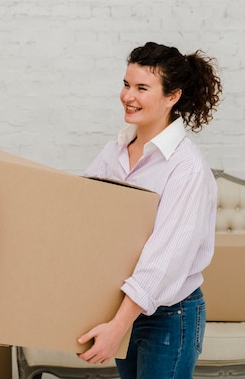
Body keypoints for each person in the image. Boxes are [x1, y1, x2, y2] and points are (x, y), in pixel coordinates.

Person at [77, 42, 223, 378]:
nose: (129, 96)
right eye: (127, 84)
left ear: (172, 97)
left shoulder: (186, 168)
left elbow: (164, 260)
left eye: (142, 88)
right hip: (123, 306)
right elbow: (83, 212)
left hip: (169, 318)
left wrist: (118, 325)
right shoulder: (114, 150)